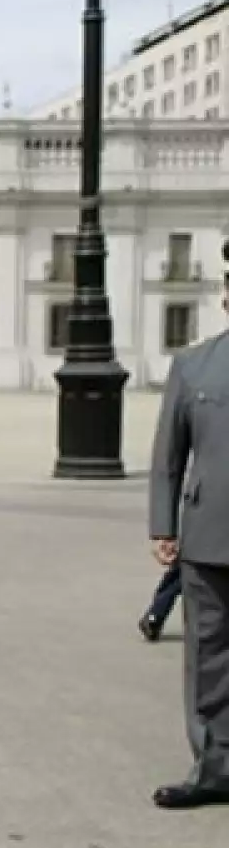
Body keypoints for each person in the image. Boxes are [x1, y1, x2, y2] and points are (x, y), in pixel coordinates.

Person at [146, 240, 229, 811]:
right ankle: (214, 768)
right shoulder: (193, 365)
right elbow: (168, 455)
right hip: (207, 533)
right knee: (209, 658)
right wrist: (163, 524)